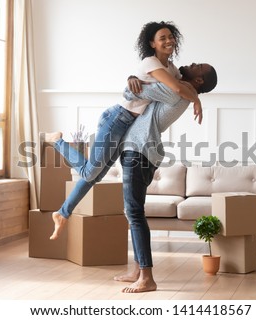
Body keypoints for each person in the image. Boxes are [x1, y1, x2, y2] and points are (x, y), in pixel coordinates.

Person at [45, 21, 203, 240]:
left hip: (129, 126)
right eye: (162, 38)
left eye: (170, 37)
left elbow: (181, 86)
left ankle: (62, 214)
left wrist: (193, 96)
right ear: (152, 44)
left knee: (95, 176)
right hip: (117, 118)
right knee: (91, 172)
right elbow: (177, 90)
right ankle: (58, 142)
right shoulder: (151, 62)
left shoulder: (172, 69)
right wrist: (196, 100)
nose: (168, 41)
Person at [114, 63, 218, 293]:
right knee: (133, 212)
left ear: (199, 81)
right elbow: (140, 87)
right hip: (139, 151)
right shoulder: (180, 90)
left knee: (134, 213)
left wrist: (133, 78)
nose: (190, 64)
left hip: (139, 151)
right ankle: (137, 270)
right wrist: (134, 77)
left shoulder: (176, 90)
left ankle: (147, 278)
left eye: (197, 66)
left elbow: (132, 91)